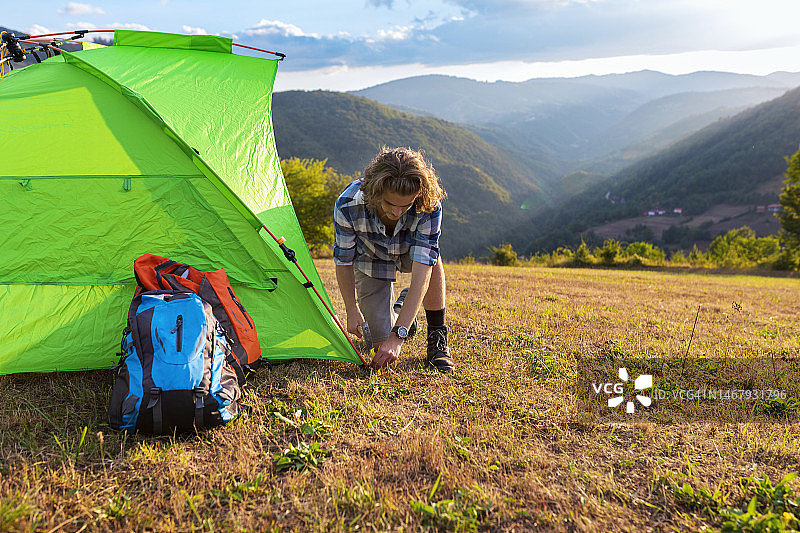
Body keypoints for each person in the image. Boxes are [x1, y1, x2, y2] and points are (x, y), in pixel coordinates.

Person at [333, 147, 454, 372]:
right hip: (371, 261)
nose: (397, 213)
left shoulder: (429, 204)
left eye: (406, 206)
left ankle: (437, 336)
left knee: (431, 260)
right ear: (376, 192)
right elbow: (344, 261)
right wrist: (351, 309)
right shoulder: (347, 204)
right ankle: (403, 311)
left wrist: (397, 338)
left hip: (410, 252)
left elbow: (421, 274)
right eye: (390, 204)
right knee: (380, 345)